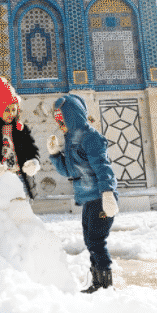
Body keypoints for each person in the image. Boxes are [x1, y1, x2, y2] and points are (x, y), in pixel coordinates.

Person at [47, 94, 119, 293]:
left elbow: (103, 167)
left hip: (101, 197)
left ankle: (105, 286)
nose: (59, 122)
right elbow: (69, 172)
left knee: (97, 241)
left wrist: (107, 192)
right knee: (90, 241)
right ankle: (98, 283)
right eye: (57, 118)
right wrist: (55, 155)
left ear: (72, 115)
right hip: (88, 198)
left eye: (62, 117)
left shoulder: (91, 137)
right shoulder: (70, 140)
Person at [0, 77, 40, 203]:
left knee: (22, 214)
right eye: (6, 109)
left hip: (20, 177)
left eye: (13, 109)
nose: (11, 113)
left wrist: (34, 162)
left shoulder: (22, 129)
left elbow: (31, 149)